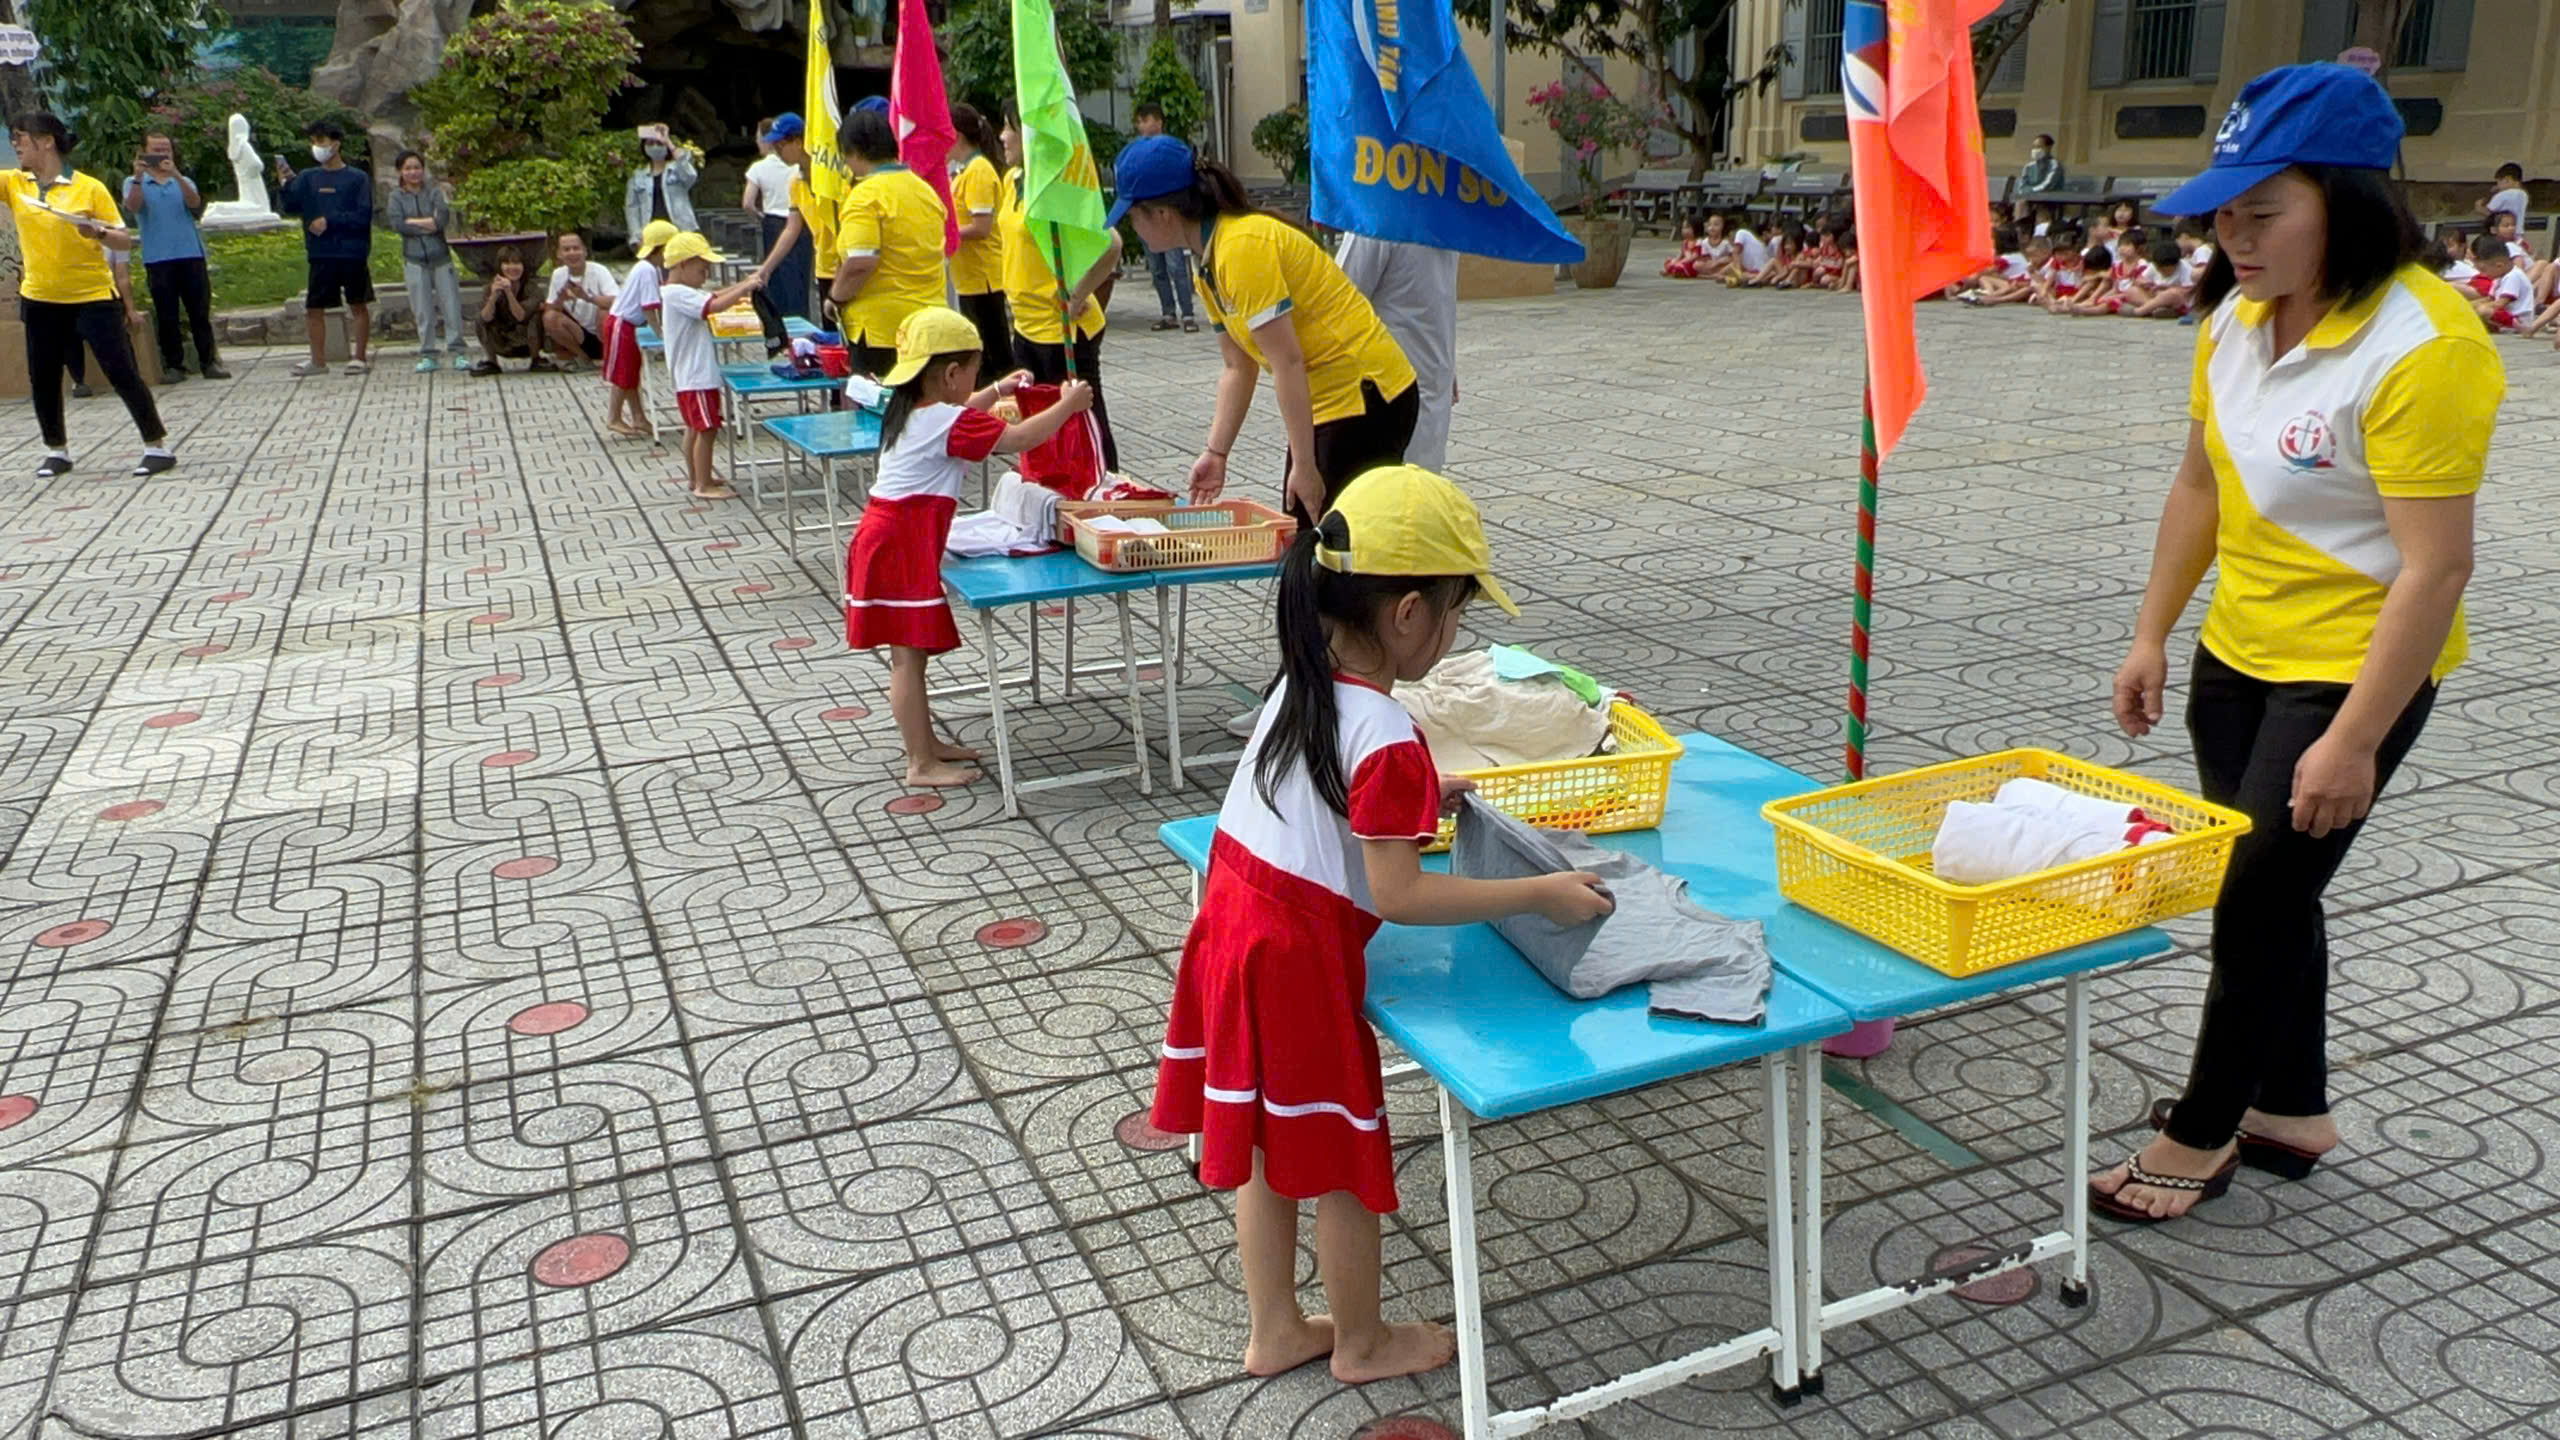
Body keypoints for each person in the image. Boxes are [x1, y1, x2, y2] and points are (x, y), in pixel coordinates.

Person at [2096, 63, 2498, 1224]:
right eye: (2223, 213)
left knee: (2253, 903)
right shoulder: (2232, 320)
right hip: (2235, 658)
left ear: (2348, 202)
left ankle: (2200, 1131)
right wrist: (2150, 634)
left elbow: (2436, 567)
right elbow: (2197, 487)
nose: (2234, 237)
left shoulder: (2424, 345)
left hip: (2349, 672)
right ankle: (2290, 1106)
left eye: (2263, 213)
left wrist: (2355, 739)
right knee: (2274, 890)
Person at [1151, 463, 1613, 1384]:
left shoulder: (1300, 686)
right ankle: (1361, 1343)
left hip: (1232, 934)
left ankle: (1277, 1329)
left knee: (1269, 1149)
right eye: (1456, 613)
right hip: (1294, 964)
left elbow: (1331, 800)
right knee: (1336, 1159)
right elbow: (1400, 895)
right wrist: (1542, 892)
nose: (1456, 632)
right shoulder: (1388, 732)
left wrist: (1418, 797)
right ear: (1407, 615)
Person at [844, 306, 1096, 787]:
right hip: (898, 545)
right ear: (951, 374)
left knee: (911, 654)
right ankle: (920, 763)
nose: (976, 384)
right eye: (975, 374)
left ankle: (926, 744)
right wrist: (1069, 405)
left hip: (889, 538)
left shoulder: (913, 408)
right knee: (906, 659)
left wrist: (998, 390)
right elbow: (1018, 437)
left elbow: (962, 413)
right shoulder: (945, 420)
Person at [1112, 135, 1419, 524]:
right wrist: (1216, 453)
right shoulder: (1206, 261)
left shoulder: (1241, 247)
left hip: (1367, 392)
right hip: (1327, 398)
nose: (1132, 227)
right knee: (1309, 531)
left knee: (1326, 536)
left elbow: (1287, 362)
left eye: (1132, 215)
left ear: (1162, 214)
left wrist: (1304, 465)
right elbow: (1237, 366)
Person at [5, 112, 174, 477]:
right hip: (40, 297)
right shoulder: (15, 183)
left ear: (46, 141)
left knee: (121, 370)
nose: (15, 145)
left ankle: (156, 444)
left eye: (21, 137)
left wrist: (96, 232)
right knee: (44, 376)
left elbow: (123, 239)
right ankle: (57, 450)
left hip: (92, 296)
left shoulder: (89, 188)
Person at [996, 107, 1122, 470]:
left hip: (1062, 329)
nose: (1003, 136)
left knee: (1084, 423)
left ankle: (1105, 485)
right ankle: (1054, 487)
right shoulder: (1012, 179)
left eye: (1010, 128)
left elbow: (1111, 243)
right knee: (1040, 422)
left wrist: (1078, 295)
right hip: (1025, 325)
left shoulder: (1056, 186)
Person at [829, 107, 949, 377]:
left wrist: (835, 298)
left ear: (854, 152)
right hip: (928, 325)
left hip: (880, 332)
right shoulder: (925, 191)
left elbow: (861, 262)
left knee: (877, 403)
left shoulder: (865, 196)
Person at [657, 231, 763, 498]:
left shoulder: (678, 292)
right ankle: (703, 484)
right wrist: (745, 288)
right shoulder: (678, 293)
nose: (706, 275)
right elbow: (713, 306)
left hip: (689, 377)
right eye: (702, 270)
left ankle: (697, 476)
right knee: (708, 428)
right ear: (683, 264)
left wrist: (743, 284)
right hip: (696, 376)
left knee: (694, 428)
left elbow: (713, 295)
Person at [121, 131, 226, 382]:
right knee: (167, 314)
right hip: (158, 258)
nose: (161, 155)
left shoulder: (183, 180)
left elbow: (194, 203)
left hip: (190, 254)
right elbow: (132, 207)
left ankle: (208, 362)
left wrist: (176, 174)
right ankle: (174, 365)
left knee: (199, 312)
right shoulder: (133, 182)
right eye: (155, 150)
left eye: (166, 150)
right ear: (144, 152)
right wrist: (139, 176)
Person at [273, 120, 373, 376]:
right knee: (314, 308)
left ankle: (359, 357)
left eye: (321, 141)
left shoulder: (357, 178)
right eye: (313, 142)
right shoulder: (308, 177)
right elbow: (292, 207)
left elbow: (363, 215)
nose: (316, 146)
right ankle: (318, 361)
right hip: (320, 253)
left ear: (336, 144)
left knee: (358, 304)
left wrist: (330, 221)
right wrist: (285, 184)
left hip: (351, 252)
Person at [748, 114, 835, 325]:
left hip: (845, 264)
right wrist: (765, 269)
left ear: (798, 142)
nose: (777, 151)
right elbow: (791, 228)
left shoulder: (830, 175)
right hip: (825, 265)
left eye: (780, 145)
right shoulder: (795, 182)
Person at [383, 151, 464, 372]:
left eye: (417, 167)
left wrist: (416, 222)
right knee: (423, 310)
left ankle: (458, 351)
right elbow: (399, 224)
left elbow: (441, 220)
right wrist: (426, 224)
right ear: (400, 171)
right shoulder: (396, 197)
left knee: (451, 306)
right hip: (414, 259)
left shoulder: (434, 193)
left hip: (441, 257)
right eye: (408, 168)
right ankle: (428, 354)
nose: (413, 172)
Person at [602, 219, 678, 437]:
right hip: (622, 324)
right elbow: (649, 307)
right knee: (623, 374)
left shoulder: (651, 269)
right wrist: (661, 334)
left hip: (629, 326)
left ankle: (638, 417)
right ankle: (614, 417)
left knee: (632, 373)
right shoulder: (647, 270)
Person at [946, 103, 1010, 363]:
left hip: (984, 278)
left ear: (957, 135)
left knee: (994, 355)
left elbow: (981, 227)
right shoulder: (964, 170)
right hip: (969, 278)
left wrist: (947, 237)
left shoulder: (979, 171)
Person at [1130, 104, 1201, 333]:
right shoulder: (1135, 152)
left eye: (1146, 120)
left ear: (1159, 121)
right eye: (1139, 121)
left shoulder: (1170, 149)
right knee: (1157, 268)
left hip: (1167, 215)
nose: (1142, 125)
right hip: (1146, 214)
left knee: (1176, 265)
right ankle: (1168, 313)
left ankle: (1188, 313)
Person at [539, 230, 618, 371]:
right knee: (550, 317)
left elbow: (616, 301)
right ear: (559, 254)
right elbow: (549, 309)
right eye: (567, 249)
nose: (572, 253)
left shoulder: (599, 271)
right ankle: (583, 358)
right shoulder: (558, 274)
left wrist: (588, 298)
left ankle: (610, 358)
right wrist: (561, 299)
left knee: (604, 312)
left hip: (602, 332)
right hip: (579, 334)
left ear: (585, 251)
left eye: (576, 248)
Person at [472, 248, 541, 374]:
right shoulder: (490, 287)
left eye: (517, 263)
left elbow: (521, 316)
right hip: (502, 340)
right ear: (500, 267)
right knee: (480, 317)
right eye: (507, 263)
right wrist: (493, 296)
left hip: (527, 341)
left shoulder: (531, 288)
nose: (512, 267)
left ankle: (536, 359)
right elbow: (485, 318)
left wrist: (509, 292)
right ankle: (492, 362)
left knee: (537, 316)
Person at [623, 124, 699, 239]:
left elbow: (690, 175)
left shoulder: (676, 169)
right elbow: (632, 208)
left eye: (659, 143)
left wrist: (668, 142)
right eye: (650, 143)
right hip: (650, 234)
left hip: (681, 231)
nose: (655, 147)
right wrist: (636, 236)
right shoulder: (637, 176)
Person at [2462, 233, 2534, 332]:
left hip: (2518, 318)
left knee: (2483, 310)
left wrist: (2479, 308)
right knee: (2475, 308)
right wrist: (2469, 306)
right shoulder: (2499, 277)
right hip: (2505, 315)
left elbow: (2500, 303)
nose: (2483, 274)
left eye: (2484, 270)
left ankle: (2519, 327)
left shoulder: (2513, 276)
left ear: (2499, 266)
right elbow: (2490, 298)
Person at [2127, 234, 2195, 317]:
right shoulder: (2153, 267)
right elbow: (2139, 279)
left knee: (2171, 294)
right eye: (2160, 270)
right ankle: (2154, 309)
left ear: (2176, 264)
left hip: (2174, 299)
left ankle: (2139, 311)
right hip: (2155, 297)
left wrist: (2167, 288)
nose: (2163, 272)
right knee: (2132, 291)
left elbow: (2189, 291)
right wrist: (2143, 283)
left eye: (2167, 270)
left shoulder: (2185, 267)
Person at [2012, 133, 2064, 222]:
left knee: (2041, 212)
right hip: (2030, 199)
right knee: (2021, 203)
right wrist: (2030, 193)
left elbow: (2047, 186)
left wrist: (2030, 191)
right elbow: (2022, 187)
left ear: (2048, 148)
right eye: (2034, 147)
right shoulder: (2028, 166)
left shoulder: (2055, 165)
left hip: (2049, 200)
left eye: (2039, 147)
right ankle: (2020, 228)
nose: (2035, 150)